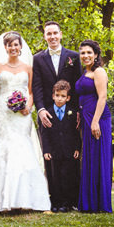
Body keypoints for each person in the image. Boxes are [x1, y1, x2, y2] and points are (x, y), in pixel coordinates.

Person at [0, 30, 50, 212]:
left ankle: (27, 199)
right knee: (3, 149)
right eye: (10, 45)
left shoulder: (28, 68)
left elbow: (31, 91)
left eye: (16, 45)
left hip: (22, 115)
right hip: (2, 115)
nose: (13, 48)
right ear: (5, 48)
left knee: (22, 148)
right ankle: (1, 200)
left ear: (20, 47)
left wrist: (27, 106)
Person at [31, 21, 83, 199]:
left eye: (55, 33)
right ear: (44, 36)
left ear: (61, 34)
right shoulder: (37, 59)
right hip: (48, 114)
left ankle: (73, 199)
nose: (52, 37)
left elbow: (77, 86)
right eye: (49, 34)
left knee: (71, 157)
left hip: (69, 115)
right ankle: (54, 199)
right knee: (51, 158)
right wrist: (40, 110)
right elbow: (36, 86)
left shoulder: (74, 57)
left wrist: (77, 110)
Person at [76, 40, 113, 213]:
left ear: (96, 54)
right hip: (86, 118)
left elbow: (102, 97)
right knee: (90, 158)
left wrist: (95, 121)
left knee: (99, 158)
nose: (86, 56)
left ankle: (100, 204)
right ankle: (90, 203)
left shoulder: (99, 71)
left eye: (89, 52)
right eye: (83, 53)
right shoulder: (85, 71)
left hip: (98, 118)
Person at [39, 80, 80, 212]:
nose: (60, 98)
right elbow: (44, 133)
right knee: (54, 177)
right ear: (53, 96)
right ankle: (56, 203)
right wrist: (46, 150)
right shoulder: (47, 113)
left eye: (63, 96)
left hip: (69, 150)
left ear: (68, 98)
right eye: (57, 95)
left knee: (68, 176)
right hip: (54, 151)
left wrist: (77, 148)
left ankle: (68, 203)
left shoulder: (73, 113)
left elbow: (76, 132)